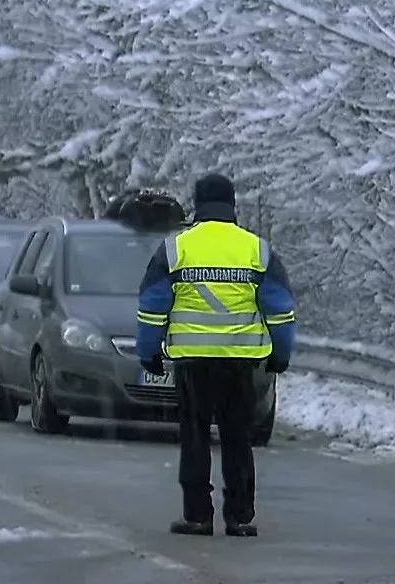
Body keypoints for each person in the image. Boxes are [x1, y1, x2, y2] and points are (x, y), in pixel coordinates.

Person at [135, 173, 296, 538]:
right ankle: (239, 517)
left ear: (197, 204)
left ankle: (198, 516)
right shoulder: (256, 249)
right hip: (241, 362)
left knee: (194, 438)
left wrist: (149, 351)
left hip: (192, 361)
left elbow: (152, 306)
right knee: (238, 438)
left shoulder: (176, 248)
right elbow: (281, 309)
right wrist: (280, 355)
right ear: (232, 205)